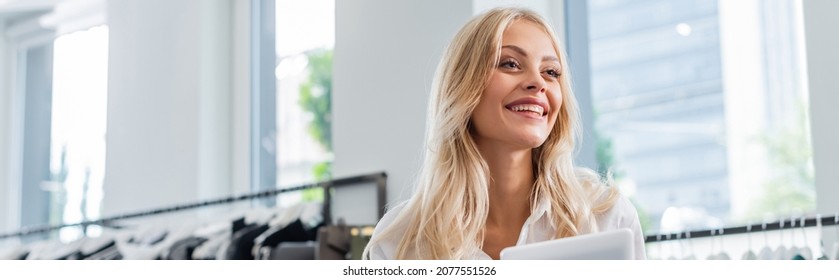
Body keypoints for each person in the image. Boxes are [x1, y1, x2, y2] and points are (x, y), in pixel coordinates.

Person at [363, 7, 646, 260]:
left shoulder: (607, 217)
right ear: (463, 85)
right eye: (510, 63)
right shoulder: (400, 241)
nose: (538, 82)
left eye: (551, 71)